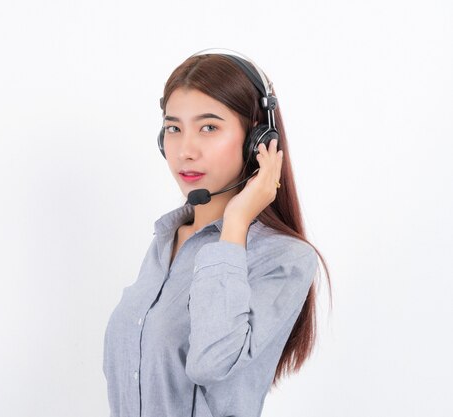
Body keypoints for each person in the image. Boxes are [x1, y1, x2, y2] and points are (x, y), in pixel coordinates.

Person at [102, 48, 331, 417]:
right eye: (174, 128)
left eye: (209, 127)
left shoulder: (285, 259)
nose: (185, 150)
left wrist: (236, 223)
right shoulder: (165, 242)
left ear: (258, 141)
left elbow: (210, 362)